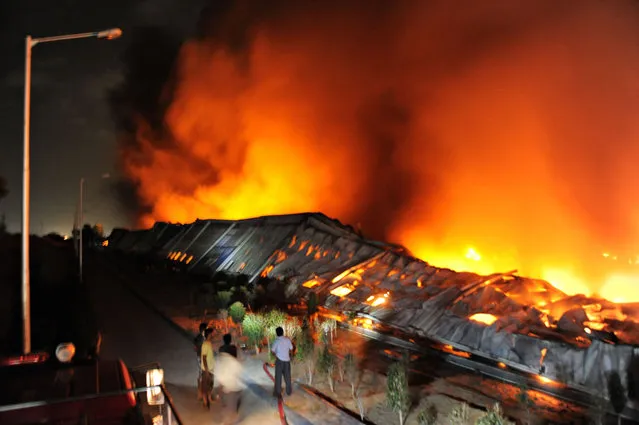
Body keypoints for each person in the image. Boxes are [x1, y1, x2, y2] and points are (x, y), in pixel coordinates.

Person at [215, 352, 244, 424]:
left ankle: (228, 420)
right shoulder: (234, 362)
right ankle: (231, 420)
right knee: (231, 408)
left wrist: (218, 392)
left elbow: (217, 377)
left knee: (228, 408)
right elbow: (240, 372)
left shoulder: (220, 362)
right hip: (232, 388)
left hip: (225, 388)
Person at [271, 326, 294, 398]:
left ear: (277, 333)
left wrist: (276, 355)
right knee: (287, 377)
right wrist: (290, 355)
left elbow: (272, 351)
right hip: (287, 361)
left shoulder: (276, 341)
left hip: (279, 361)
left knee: (278, 377)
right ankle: (289, 392)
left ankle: (278, 393)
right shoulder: (287, 340)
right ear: (283, 332)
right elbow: (291, 348)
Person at [200, 328, 215, 409]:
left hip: (210, 369)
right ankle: (205, 402)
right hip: (207, 369)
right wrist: (206, 370)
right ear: (209, 334)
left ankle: (209, 399)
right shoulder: (205, 344)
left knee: (209, 385)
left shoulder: (209, 343)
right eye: (212, 334)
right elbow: (204, 358)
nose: (213, 335)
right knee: (205, 386)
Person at [193, 323, 207, 401]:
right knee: (202, 375)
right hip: (202, 358)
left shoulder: (200, 338)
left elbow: (195, 348)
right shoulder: (201, 339)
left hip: (201, 358)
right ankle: (201, 394)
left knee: (202, 375)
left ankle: (201, 394)